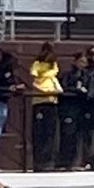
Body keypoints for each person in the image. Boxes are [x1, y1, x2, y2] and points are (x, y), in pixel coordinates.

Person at [58, 50, 94, 170]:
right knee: (69, 135)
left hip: (83, 109)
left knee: (85, 136)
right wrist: (75, 90)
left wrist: (85, 93)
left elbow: (91, 92)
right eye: (81, 61)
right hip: (70, 109)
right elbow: (63, 90)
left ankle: (85, 161)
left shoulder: (88, 76)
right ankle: (66, 162)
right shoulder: (67, 75)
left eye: (85, 62)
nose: (83, 64)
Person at [30, 42, 61, 171]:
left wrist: (55, 91)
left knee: (50, 133)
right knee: (39, 133)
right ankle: (38, 161)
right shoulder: (37, 64)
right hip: (40, 101)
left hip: (52, 101)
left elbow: (54, 76)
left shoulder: (53, 66)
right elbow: (34, 78)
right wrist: (43, 90)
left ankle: (48, 160)